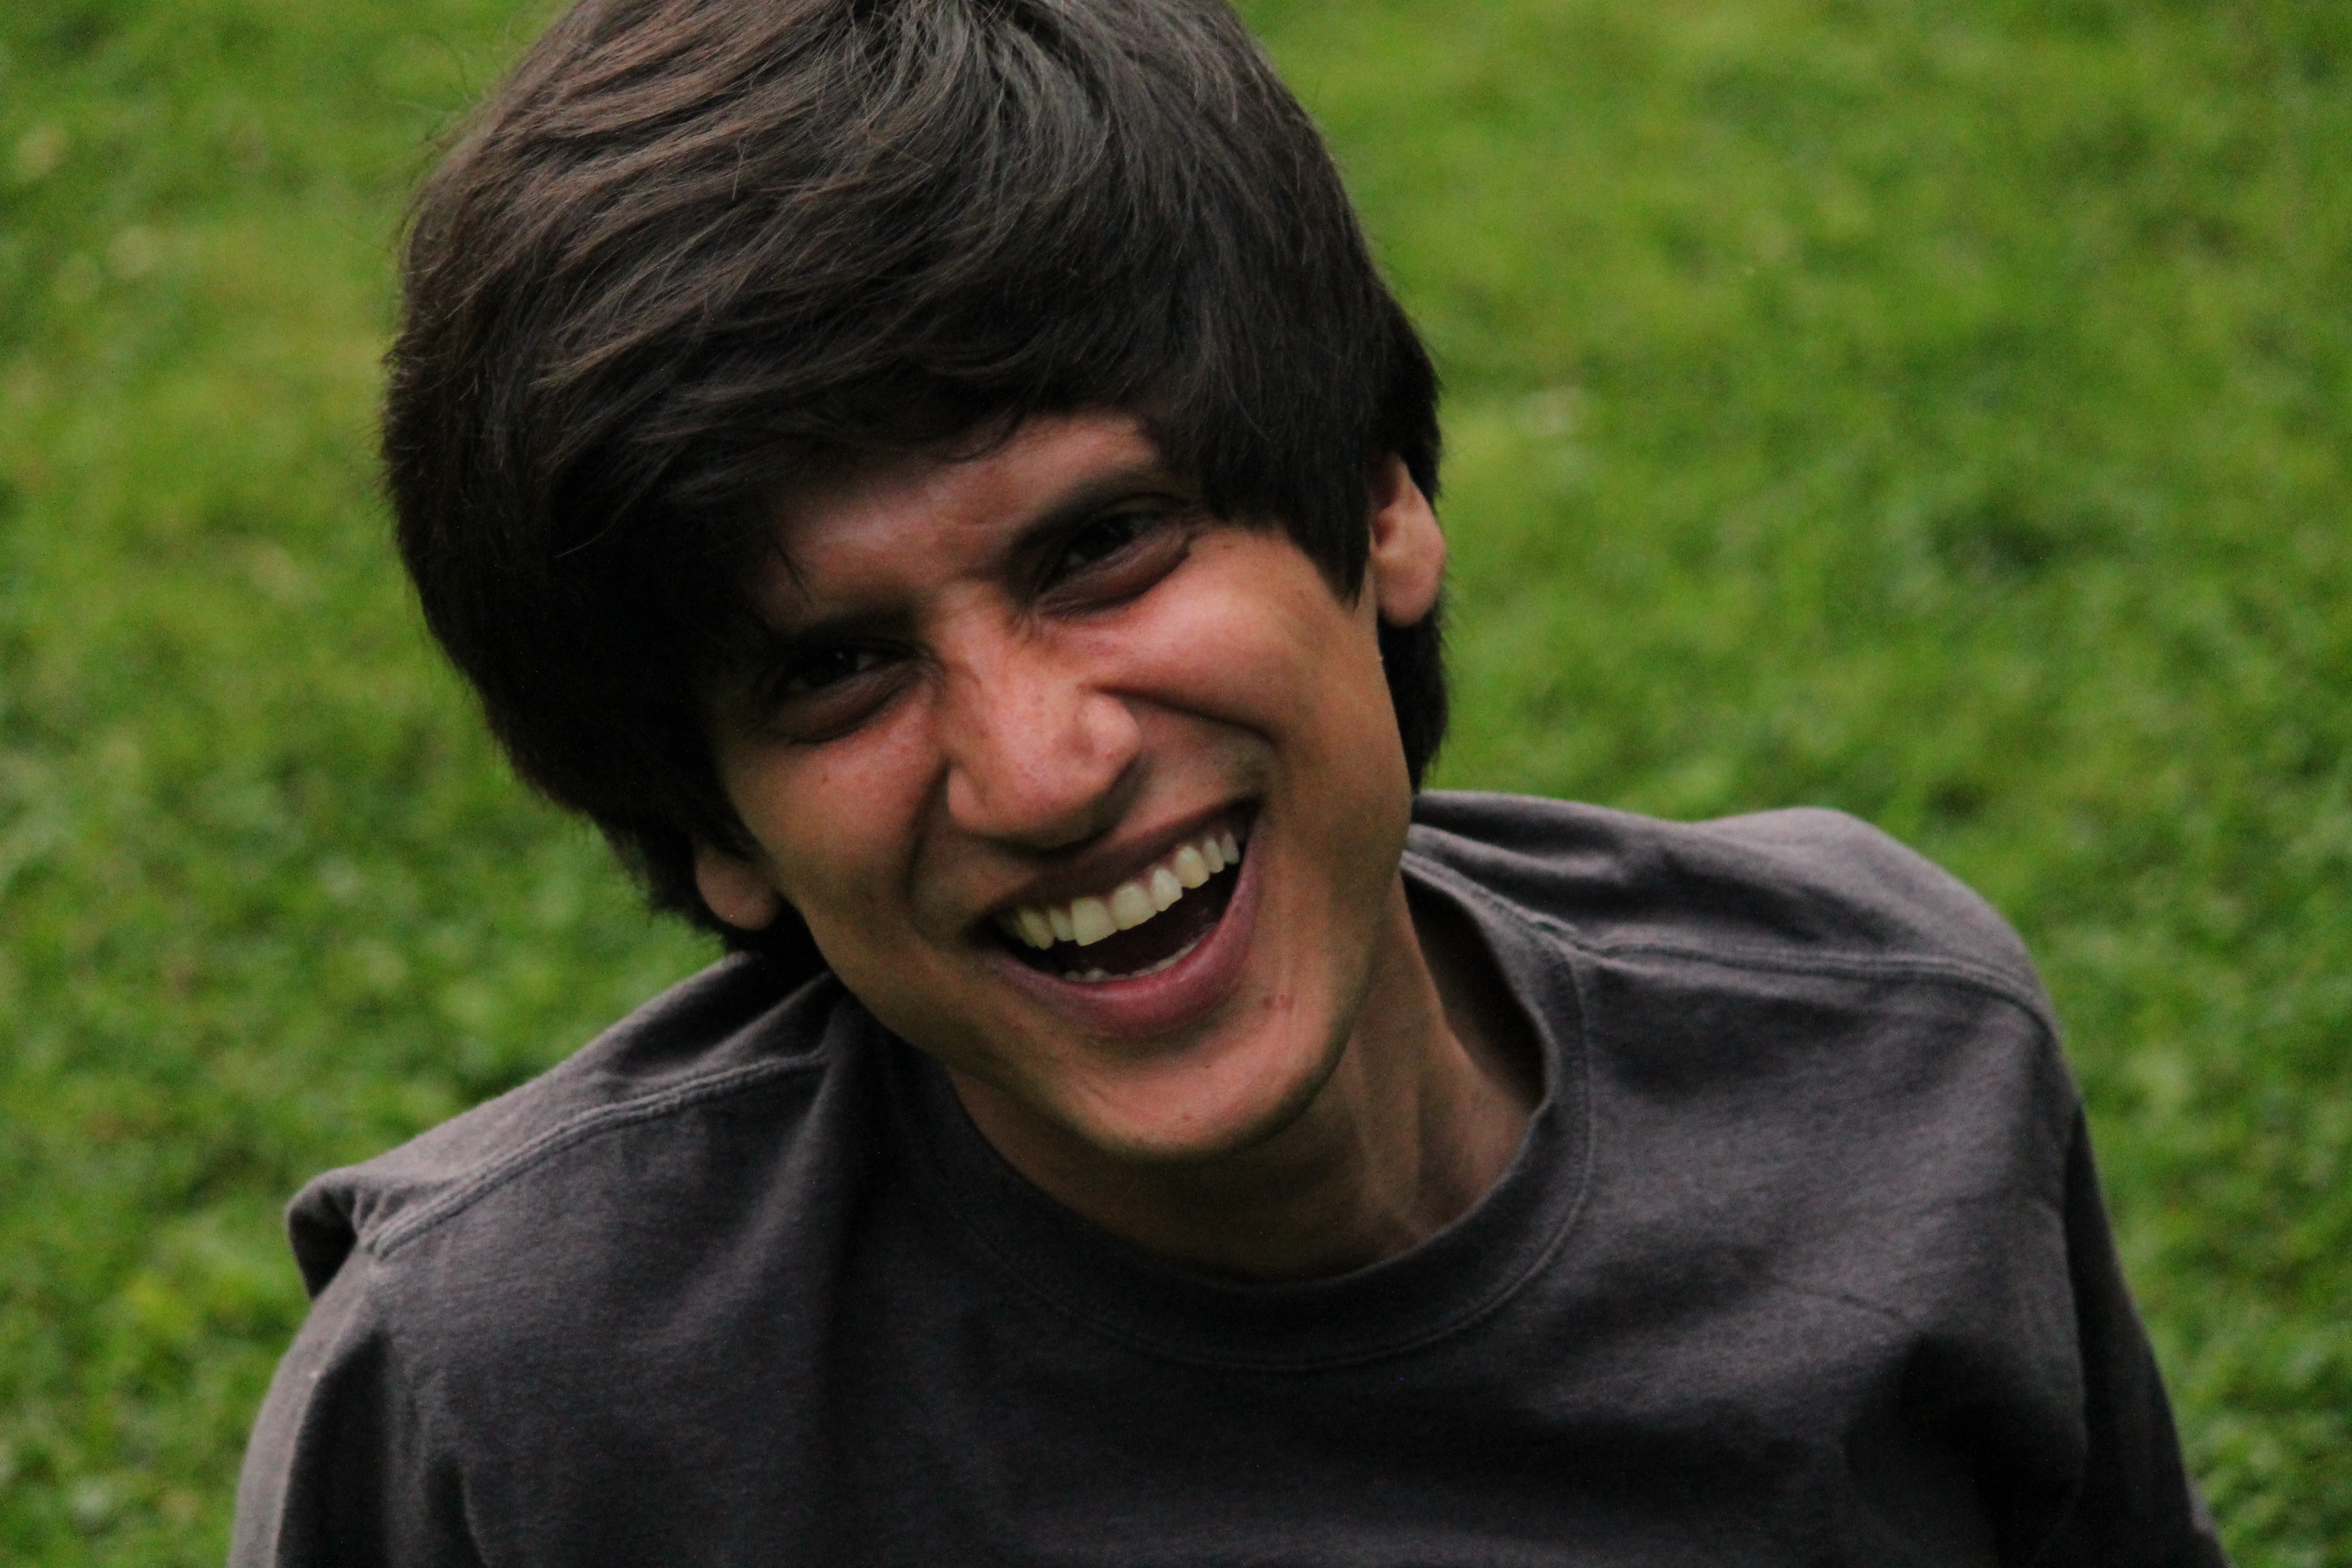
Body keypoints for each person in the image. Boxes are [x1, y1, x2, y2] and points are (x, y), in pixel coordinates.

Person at [231, 0, 2230, 1562]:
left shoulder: (1895, 1069)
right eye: (833, 669)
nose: (1042, 771)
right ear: (711, 826)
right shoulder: (517, 1404)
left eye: (1103, 546)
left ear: (1379, 501)